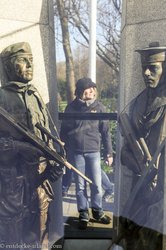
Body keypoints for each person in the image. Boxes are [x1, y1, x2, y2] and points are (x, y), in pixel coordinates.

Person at [0, 42, 63, 249]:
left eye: (31, 60)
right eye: (22, 60)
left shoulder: (35, 95)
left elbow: (47, 135)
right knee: (14, 237)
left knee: (41, 233)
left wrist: (55, 163)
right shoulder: (2, 97)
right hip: (13, 183)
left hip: (40, 181)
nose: (29, 65)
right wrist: (19, 147)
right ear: (9, 66)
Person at [120, 42, 166, 250]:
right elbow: (125, 151)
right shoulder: (137, 103)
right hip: (140, 185)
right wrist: (135, 161)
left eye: (153, 68)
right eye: (143, 68)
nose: (147, 73)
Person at [60, 77, 113, 229]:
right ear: (80, 92)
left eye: (93, 89)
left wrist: (109, 153)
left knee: (96, 184)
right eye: (88, 89)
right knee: (80, 186)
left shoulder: (100, 108)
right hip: (76, 153)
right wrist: (62, 148)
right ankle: (83, 214)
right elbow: (64, 131)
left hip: (94, 152)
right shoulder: (71, 108)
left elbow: (106, 133)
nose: (91, 91)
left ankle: (97, 212)